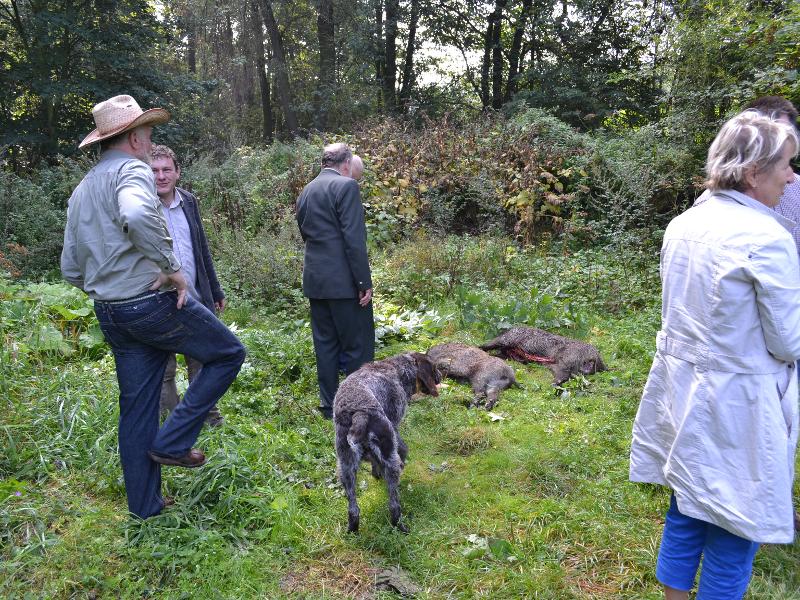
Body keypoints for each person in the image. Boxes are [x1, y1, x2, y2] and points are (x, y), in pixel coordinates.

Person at [630, 110, 800, 599]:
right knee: (736, 521)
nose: (792, 177)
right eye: (787, 165)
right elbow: (787, 342)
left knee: (688, 502)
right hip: (739, 403)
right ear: (752, 172)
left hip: (683, 389)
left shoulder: (685, 223)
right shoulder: (768, 238)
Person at [61, 95, 246, 519]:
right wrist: (173, 268)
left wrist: (104, 288)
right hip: (150, 304)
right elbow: (138, 214)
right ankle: (174, 441)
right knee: (228, 353)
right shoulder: (131, 170)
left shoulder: (85, 187)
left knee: (137, 408)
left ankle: (145, 508)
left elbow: (70, 264)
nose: (149, 139)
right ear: (131, 137)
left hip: (111, 311)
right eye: (145, 131)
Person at [295, 143, 374, 419]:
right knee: (356, 346)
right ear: (346, 164)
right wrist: (363, 282)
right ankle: (356, 404)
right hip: (344, 283)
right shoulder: (347, 187)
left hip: (316, 282)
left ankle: (329, 406)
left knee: (325, 345)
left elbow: (306, 233)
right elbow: (354, 240)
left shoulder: (306, 190)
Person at [151, 144, 225, 427]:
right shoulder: (141, 205)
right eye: (154, 170)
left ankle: (208, 417)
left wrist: (215, 290)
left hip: (194, 297)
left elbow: (201, 249)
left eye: (166, 169)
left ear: (177, 172)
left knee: (203, 361)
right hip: (158, 300)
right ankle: (175, 423)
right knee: (164, 369)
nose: (161, 176)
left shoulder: (189, 201)